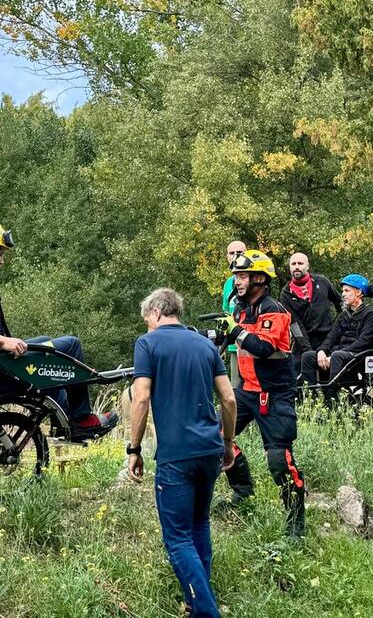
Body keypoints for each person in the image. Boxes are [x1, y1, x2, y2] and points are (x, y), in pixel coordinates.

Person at [0, 218, 118, 439]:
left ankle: (61, 414)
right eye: (0, 253)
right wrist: (3, 341)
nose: (2, 261)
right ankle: (81, 420)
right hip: (0, 370)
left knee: (46, 342)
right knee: (71, 345)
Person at [127, 288, 237, 618]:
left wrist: (133, 449)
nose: (146, 323)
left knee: (177, 539)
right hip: (209, 450)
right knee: (199, 525)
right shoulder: (205, 345)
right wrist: (228, 444)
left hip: (176, 455)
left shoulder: (147, 344)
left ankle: (205, 611)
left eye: (147, 317)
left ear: (158, 312)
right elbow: (229, 400)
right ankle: (195, 603)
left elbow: (141, 398)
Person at [219, 250, 306, 539]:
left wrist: (235, 332)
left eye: (242, 276)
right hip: (246, 391)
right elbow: (234, 338)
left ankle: (295, 522)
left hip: (275, 394)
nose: (237, 282)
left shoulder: (274, 310)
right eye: (235, 276)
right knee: (214, 434)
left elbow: (263, 348)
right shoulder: (239, 308)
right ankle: (242, 491)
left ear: (259, 278)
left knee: (279, 459)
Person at [299, 274, 373, 400]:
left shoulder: (372, 314)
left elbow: (364, 342)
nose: (343, 294)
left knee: (337, 355)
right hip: (341, 354)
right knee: (308, 356)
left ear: (359, 292)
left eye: (346, 291)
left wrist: (333, 356)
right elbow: (331, 338)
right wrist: (322, 351)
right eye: (342, 291)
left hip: (359, 356)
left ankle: (330, 399)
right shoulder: (344, 315)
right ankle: (310, 398)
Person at [279, 253, 341, 381]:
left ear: (307, 266)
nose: (297, 267)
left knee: (330, 381)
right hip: (303, 343)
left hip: (327, 339)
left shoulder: (322, 282)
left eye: (300, 264)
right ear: (289, 267)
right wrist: (309, 350)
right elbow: (294, 324)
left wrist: (339, 325)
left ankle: (330, 401)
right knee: (301, 383)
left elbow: (340, 302)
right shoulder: (285, 293)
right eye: (293, 264)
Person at [221, 240, 246, 386]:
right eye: (232, 253)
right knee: (236, 387)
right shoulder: (228, 284)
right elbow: (226, 313)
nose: (235, 256)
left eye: (240, 253)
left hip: (250, 344)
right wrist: (222, 345)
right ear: (227, 257)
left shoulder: (253, 280)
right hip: (232, 344)